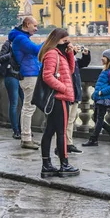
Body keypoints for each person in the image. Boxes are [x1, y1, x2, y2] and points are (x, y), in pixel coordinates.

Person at [38, 28, 80, 178]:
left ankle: (47, 165)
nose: (67, 43)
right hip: (59, 99)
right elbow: (47, 76)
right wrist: (63, 89)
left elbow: (70, 70)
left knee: (49, 131)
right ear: (57, 40)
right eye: (65, 41)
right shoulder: (52, 54)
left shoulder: (59, 54)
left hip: (61, 97)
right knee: (61, 132)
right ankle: (64, 164)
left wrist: (69, 53)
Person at [8, 17, 43, 150]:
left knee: (28, 107)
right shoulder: (21, 39)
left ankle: (26, 137)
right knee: (28, 108)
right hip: (29, 76)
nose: (36, 28)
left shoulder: (21, 37)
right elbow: (36, 50)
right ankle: (26, 138)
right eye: (34, 25)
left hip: (29, 75)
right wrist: (50, 41)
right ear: (27, 24)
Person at [82, 48, 110, 147]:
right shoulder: (106, 69)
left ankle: (93, 140)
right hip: (100, 97)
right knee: (95, 118)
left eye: (104, 57)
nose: (102, 58)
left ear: (109, 58)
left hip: (104, 98)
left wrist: (100, 92)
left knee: (99, 118)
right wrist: (96, 94)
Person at [63, 45, 90, 155]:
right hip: (68, 93)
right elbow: (65, 63)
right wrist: (72, 53)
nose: (73, 47)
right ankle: (62, 144)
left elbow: (84, 63)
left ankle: (69, 144)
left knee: (71, 120)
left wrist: (86, 55)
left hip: (75, 93)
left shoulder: (74, 60)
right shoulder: (62, 58)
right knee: (64, 121)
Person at [0, 38, 23, 139]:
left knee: (26, 103)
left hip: (22, 76)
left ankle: (22, 128)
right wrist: (11, 54)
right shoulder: (8, 44)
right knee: (14, 103)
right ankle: (16, 130)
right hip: (11, 75)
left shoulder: (24, 44)